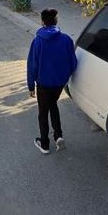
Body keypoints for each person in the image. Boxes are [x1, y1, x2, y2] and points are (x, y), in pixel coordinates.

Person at [27, 8, 78, 154]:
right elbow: (73, 63)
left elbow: (32, 65)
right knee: (53, 104)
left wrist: (31, 86)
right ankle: (58, 135)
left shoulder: (38, 41)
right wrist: (64, 77)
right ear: (56, 21)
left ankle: (44, 144)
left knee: (43, 112)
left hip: (43, 84)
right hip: (59, 84)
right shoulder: (66, 39)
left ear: (42, 22)